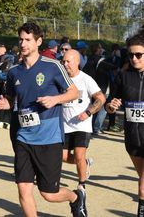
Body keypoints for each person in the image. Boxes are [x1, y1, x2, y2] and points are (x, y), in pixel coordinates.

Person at [0, 22, 88, 217]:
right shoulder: (13, 72)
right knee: (23, 189)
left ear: (38, 41)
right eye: (21, 39)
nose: (23, 43)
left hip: (49, 139)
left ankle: (76, 197)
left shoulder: (53, 66)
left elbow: (73, 92)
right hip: (23, 138)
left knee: (48, 193)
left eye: (28, 39)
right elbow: (12, 100)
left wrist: (55, 99)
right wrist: (6, 105)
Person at [105, 29, 144, 217]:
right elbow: (111, 105)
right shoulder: (123, 76)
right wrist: (110, 106)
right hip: (132, 139)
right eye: (131, 55)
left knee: (143, 187)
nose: (134, 59)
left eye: (139, 55)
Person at [62, 49, 106, 191]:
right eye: (63, 61)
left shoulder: (86, 79)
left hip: (82, 126)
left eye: (68, 61)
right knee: (63, 157)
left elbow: (101, 98)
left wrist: (88, 112)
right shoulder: (60, 79)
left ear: (77, 62)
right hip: (64, 125)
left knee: (79, 155)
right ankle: (85, 163)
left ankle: (82, 184)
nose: (65, 64)